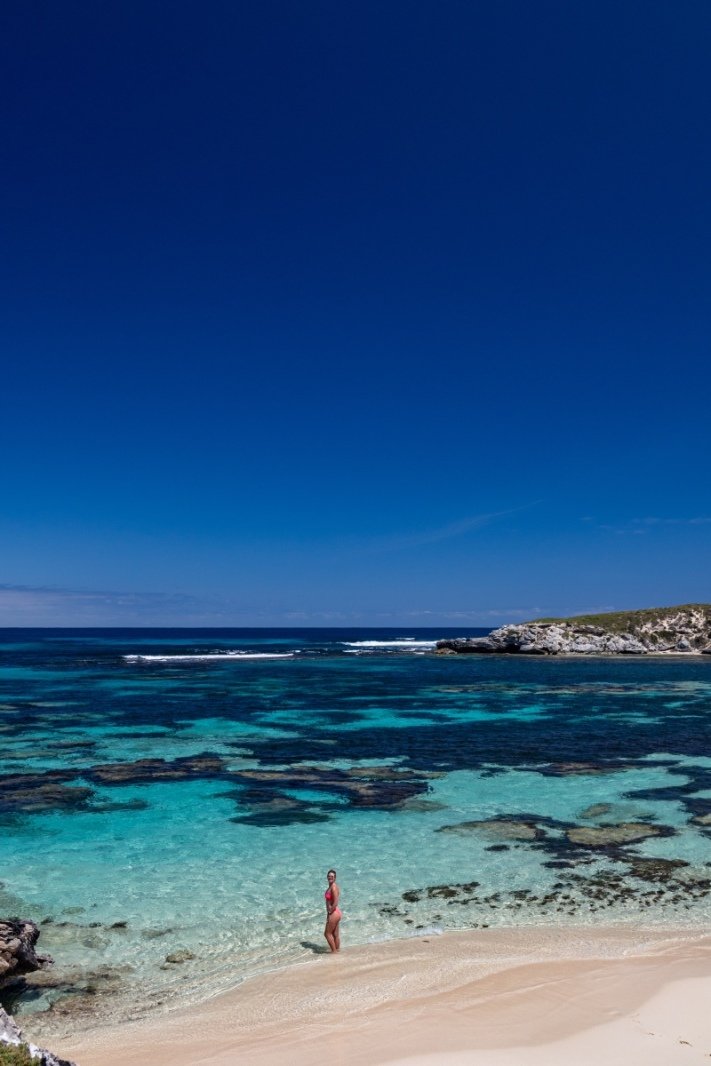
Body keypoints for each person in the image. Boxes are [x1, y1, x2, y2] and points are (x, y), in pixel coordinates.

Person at [323, 868, 342, 952]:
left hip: (334, 912)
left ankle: (334, 952)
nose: (330, 877)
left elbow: (336, 901)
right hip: (336, 912)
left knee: (327, 934)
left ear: (335, 878)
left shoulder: (333, 887)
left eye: (332, 876)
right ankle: (337, 950)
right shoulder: (331, 886)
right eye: (329, 876)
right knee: (335, 934)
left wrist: (330, 912)